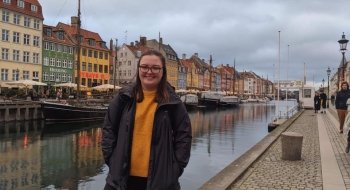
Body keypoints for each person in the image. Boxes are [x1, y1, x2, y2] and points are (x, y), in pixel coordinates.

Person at [102, 50, 192, 190]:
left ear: (163, 71)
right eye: (144, 67)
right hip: (120, 180)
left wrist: (175, 168)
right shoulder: (123, 98)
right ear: (138, 69)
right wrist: (113, 160)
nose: (149, 71)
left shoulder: (173, 102)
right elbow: (108, 128)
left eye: (155, 68)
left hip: (161, 181)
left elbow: (184, 135)